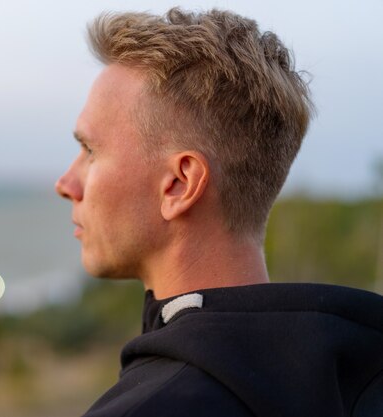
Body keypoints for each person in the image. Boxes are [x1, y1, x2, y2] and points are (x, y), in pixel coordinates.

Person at [55, 7, 383, 417]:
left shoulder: (153, 407)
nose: (66, 184)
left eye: (90, 150)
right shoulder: (360, 373)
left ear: (179, 184)